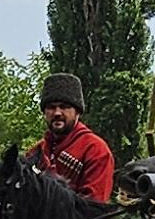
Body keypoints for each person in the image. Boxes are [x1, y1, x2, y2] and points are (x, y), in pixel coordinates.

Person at [31, 73, 117, 205]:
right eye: (51, 107)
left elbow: (93, 209)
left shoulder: (96, 150)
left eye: (65, 107)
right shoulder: (36, 151)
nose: (57, 113)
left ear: (77, 111)